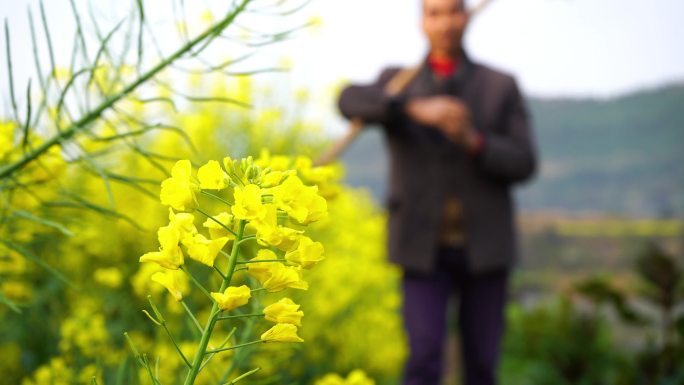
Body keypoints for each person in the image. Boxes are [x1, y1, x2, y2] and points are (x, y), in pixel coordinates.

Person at [336, 0, 538, 384]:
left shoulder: (499, 86)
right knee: (424, 360)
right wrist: (413, 109)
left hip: (487, 250)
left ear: (466, 17)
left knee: (481, 365)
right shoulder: (398, 81)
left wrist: (474, 141)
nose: (445, 22)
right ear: (422, 22)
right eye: (434, 13)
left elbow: (525, 162)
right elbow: (348, 99)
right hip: (420, 248)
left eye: (453, 11)